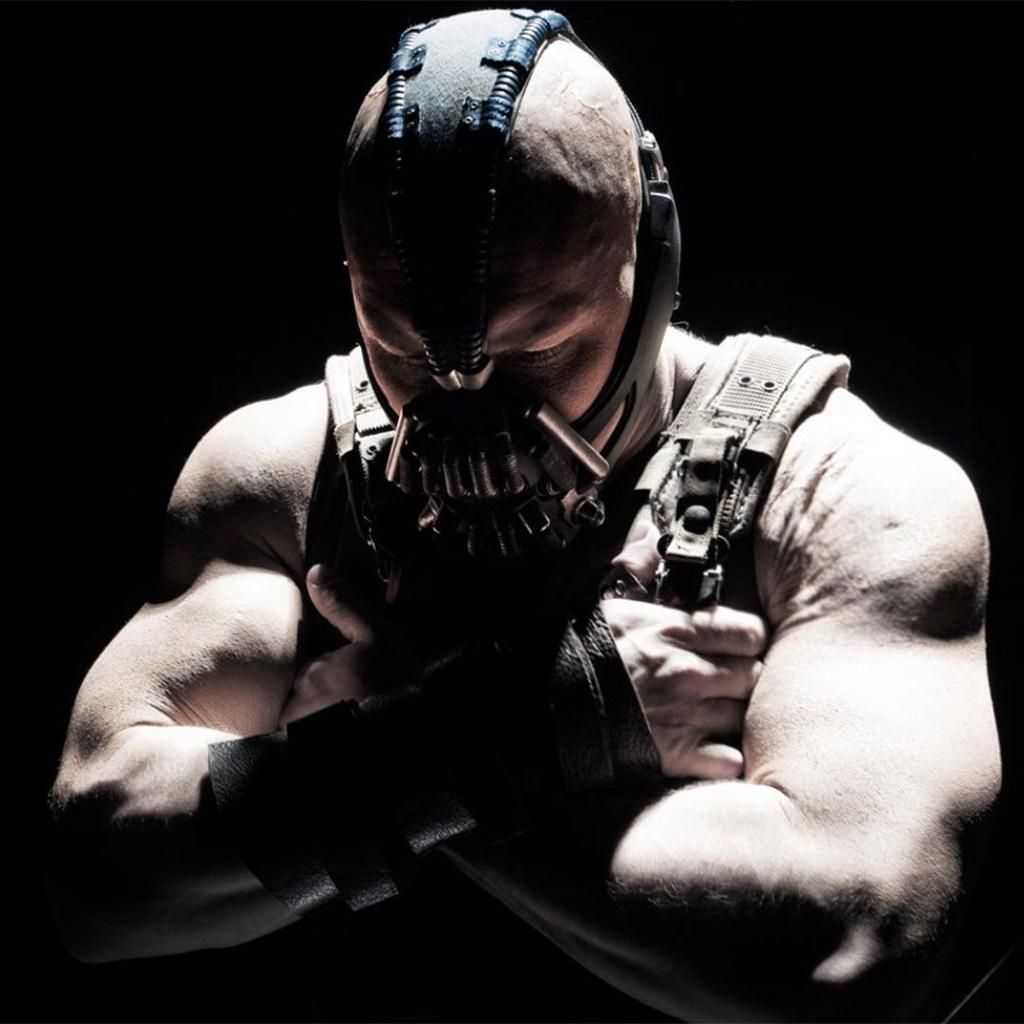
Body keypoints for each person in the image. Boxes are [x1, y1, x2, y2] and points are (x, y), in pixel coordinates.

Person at [45, 9, 1001, 1022]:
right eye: (405, 352)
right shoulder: (285, 475)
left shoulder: (848, 496)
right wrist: (536, 722)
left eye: (539, 349)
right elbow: (95, 880)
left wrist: (382, 744)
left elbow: (854, 951)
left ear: (647, 265)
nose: (469, 411)